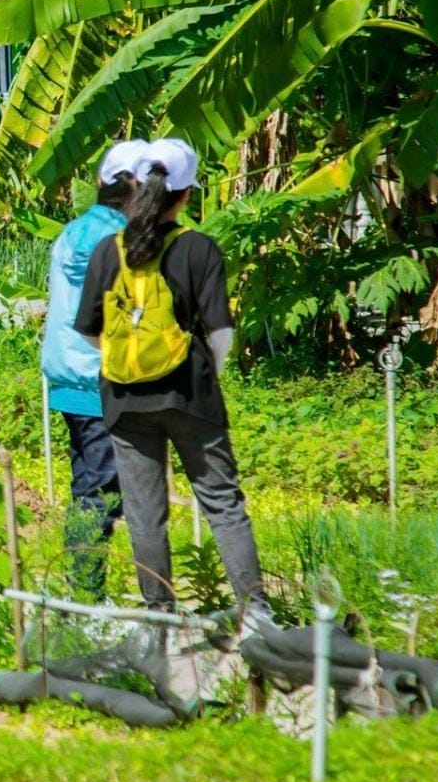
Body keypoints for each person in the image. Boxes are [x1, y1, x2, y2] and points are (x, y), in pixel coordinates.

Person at [73, 138, 270, 624]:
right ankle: (255, 614)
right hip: (189, 396)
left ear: (137, 186)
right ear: (186, 194)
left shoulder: (107, 251)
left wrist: (130, 363)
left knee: (144, 514)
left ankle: (160, 615)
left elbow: (90, 331)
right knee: (222, 504)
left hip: (122, 398)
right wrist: (201, 376)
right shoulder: (198, 249)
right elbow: (221, 332)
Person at [43, 139, 146, 601]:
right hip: (97, 380)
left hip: (70, 379)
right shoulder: (114, 240)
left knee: (89, 485)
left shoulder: (75, 231)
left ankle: (83, 592)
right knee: (100, 492)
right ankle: (85, 597)